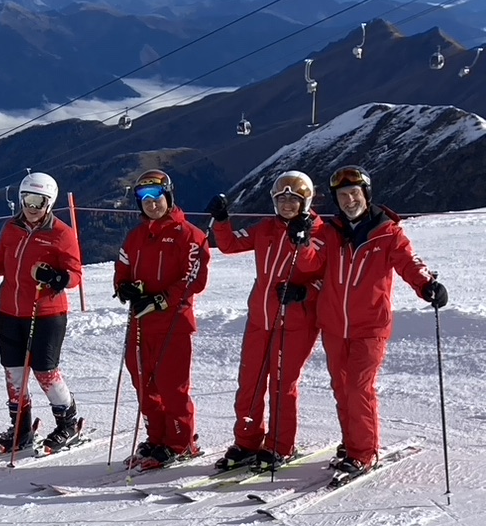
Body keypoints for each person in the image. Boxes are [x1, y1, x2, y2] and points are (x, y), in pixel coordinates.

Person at [296, 165, 448, 478]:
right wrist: (301, 243)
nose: (349, 200)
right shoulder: (329, 232)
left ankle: (364, 453)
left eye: (354, 193)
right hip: (335, 326)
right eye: (342, 195)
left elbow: (409, 262)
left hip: (370, 326)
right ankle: (351, 443)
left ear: (366, 195)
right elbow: (312, 264)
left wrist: (426, 285)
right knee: (341, 387)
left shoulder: (387, 233)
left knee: (358, 387)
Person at [205, 171, 323, 470]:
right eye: (281, 199)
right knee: (250, 382)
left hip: (295, 321)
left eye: (294, 199)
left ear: (305, 201)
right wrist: (221, 221)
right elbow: (230, 244)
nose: (287, 205)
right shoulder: (266, 229)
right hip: (261, 318)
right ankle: (246, 442)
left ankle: (280, 446)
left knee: (283, 385)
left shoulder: (319, 231)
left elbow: (324, 273)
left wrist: (303, 290)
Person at [0, 171, 84, 453]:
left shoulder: (61, 234)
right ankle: (21, 427)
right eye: (26, 200)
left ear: (49, 202)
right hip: (9, 310)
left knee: (45, 371)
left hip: (46, 313)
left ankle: (67, 423)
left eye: (37, 201)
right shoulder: (11, 228)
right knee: (14, 371)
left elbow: (75, 275)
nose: (31, 208)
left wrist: (57, 277)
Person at [113, 169, 210, 468]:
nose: (151, 203)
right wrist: (123, 287)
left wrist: (160, 300)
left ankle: (180, 442)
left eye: (157, 197)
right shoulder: (137, 236)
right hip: (141, 322)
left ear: (168, 196)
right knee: (143, 383)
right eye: (144, 198)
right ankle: (157, 438)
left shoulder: (190, 235)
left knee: (172, 386)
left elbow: (193, 279)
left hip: (173, 323)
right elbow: (122, 268)